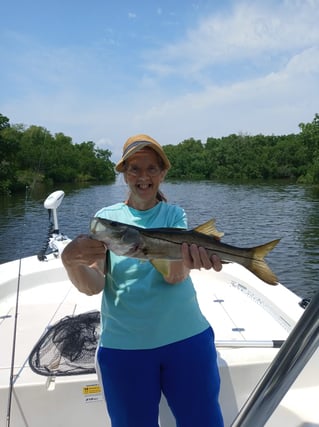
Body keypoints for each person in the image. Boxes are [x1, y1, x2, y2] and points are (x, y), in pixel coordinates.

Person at [62, 134, 224, 427]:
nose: (143, 176)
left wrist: (171, 253)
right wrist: (69, 261)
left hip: (186, 339)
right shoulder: (106, 219)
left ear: (162, 173)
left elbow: (175, 277)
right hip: (125, 347)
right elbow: (93, 285)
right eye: (134, 168)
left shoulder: (174, 214)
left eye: (152, 168)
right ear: (124, 174)